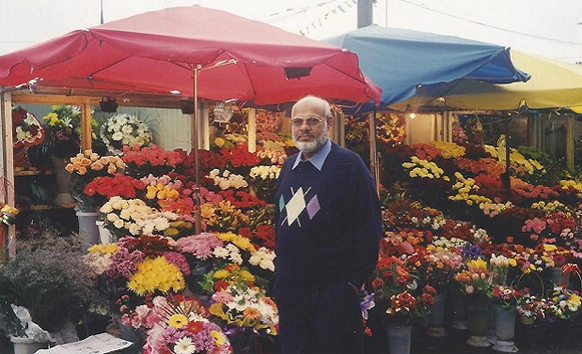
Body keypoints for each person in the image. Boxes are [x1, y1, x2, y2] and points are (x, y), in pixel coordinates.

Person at [273, 96, 382, 353]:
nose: (304, 128)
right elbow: (280, 221)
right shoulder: (290, 166)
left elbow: (370, 228)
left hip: (332, 296)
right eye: (298, 121)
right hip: (292, 293)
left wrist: (351, 284)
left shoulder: (348, 165)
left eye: (313, 121)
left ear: (329, 123)